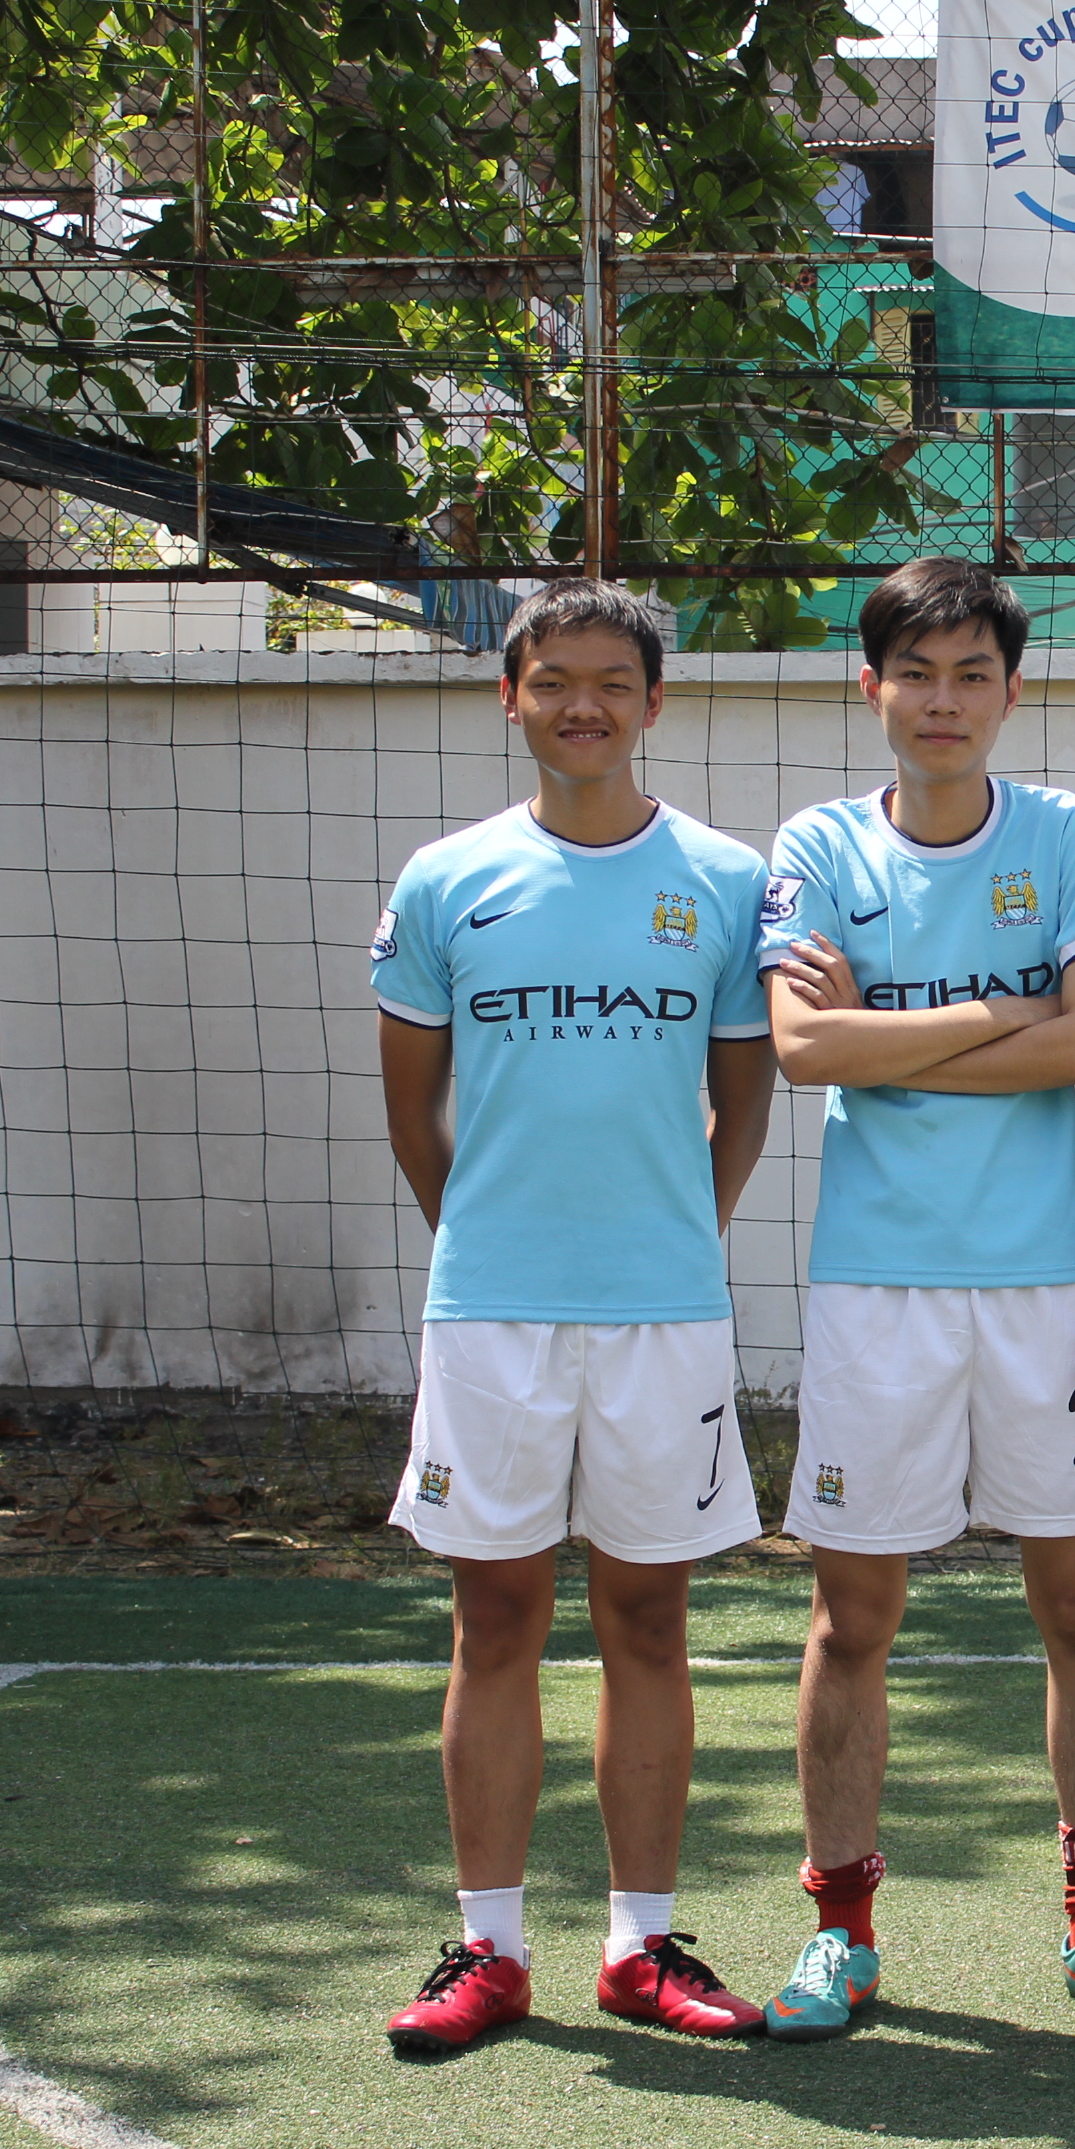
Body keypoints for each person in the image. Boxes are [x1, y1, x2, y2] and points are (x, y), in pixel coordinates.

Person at [755, 558, 1075, 2038]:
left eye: (972, 675)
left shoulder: (1067, 839)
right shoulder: (819, 845)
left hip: (1042, 1291)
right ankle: (839, 1933)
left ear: (1013, 690)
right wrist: (1005, 1013)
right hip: (876, 1293)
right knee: (853, 1617)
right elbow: (801, 1051)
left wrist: (892, 1034)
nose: (942, 701)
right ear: (870, 684)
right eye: (916, 673)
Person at [370, 580, 780, 2054]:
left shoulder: (725, 881)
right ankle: (489, 1950)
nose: (583, 705)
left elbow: (744, 1099)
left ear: (654, 703)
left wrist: (679, 1231)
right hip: (492, 1311)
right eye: (554, 682)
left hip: (662, 1313)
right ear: (512, 699)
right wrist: (484, 1235)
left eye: (613, 681)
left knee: (649, 1620)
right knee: (494, 1619)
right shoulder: (447, 881)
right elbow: (413, 1107)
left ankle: (638, 1945)